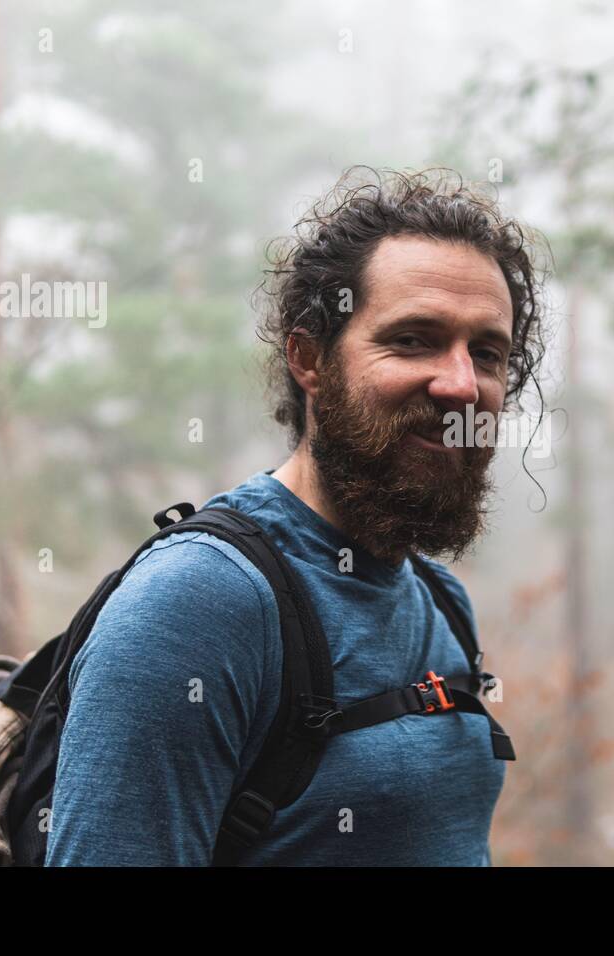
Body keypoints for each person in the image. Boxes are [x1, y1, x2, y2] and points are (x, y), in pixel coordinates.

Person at [44, 167, 547, 865]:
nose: (461, 384)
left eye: (486, 353)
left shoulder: (440, 600)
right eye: (413, 339)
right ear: (310, 359)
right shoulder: (198, 605)